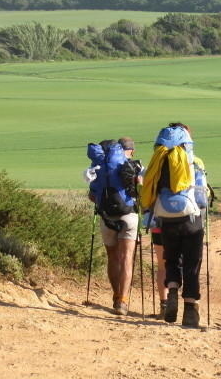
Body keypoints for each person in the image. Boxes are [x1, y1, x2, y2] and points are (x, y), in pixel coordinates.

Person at [140, 123, 204, 328]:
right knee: (192, 263)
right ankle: (190, 310)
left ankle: (173, 290)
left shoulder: (158, 161)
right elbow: (202, 199)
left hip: (166, 219)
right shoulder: (194, 162)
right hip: (191, 220)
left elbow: (148, 190)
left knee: (172, 260)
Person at [87, 137, 142, 316]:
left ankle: (116, 295)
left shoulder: (101, 168)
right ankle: (123, 301)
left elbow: (92, 195)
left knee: (112, 257)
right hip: (128, 215)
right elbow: (141, 191)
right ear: (131, 150)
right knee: (127, 258)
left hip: (106, 216)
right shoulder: (134, 166)